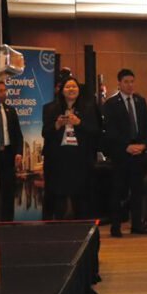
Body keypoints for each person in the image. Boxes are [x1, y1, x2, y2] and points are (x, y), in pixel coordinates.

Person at [102, 68, 147, 237]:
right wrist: (126, 146)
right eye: (126, 82)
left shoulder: (140, 101)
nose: (130, 85)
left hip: (139, 153)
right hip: (121, 154)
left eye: (132, 81)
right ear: (119, 83)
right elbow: (110, 131)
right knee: (117, 191)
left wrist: (143, 145)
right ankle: (115, 227)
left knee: (138, 190)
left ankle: (137, 225)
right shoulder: (110, 104)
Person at [42, 77, 99, 219]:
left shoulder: (89, 108)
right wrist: (57, 125)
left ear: (79, 90)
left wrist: (79, 123)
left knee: (81, 198)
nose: (71, 89)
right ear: (61, 91)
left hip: (80, 158)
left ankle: (81, 229)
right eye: (68, 87)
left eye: (74, 86)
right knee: (58, 198)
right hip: (58, 159)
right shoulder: (50, 108)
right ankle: (56, 229)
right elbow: (45, 133)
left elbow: (95, 131)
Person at [0, 80, 23, 221]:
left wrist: (18, 153)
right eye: (1, 90)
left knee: (8, 191)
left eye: (5, 90)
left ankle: (8, 223)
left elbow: (18, 134)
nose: (4, 93)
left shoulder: (10, 110)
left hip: (7, 154)